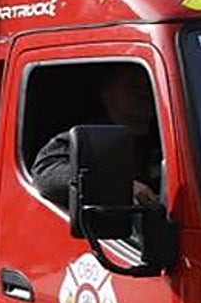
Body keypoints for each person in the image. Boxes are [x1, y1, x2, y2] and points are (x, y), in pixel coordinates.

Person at [31, 63, 161, 208]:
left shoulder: (171, 138)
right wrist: (117, 186)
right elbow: (46, 174)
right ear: (106, 92)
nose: (145, 92)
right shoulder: (87, 138)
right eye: (133, 86)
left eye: (149, 85)